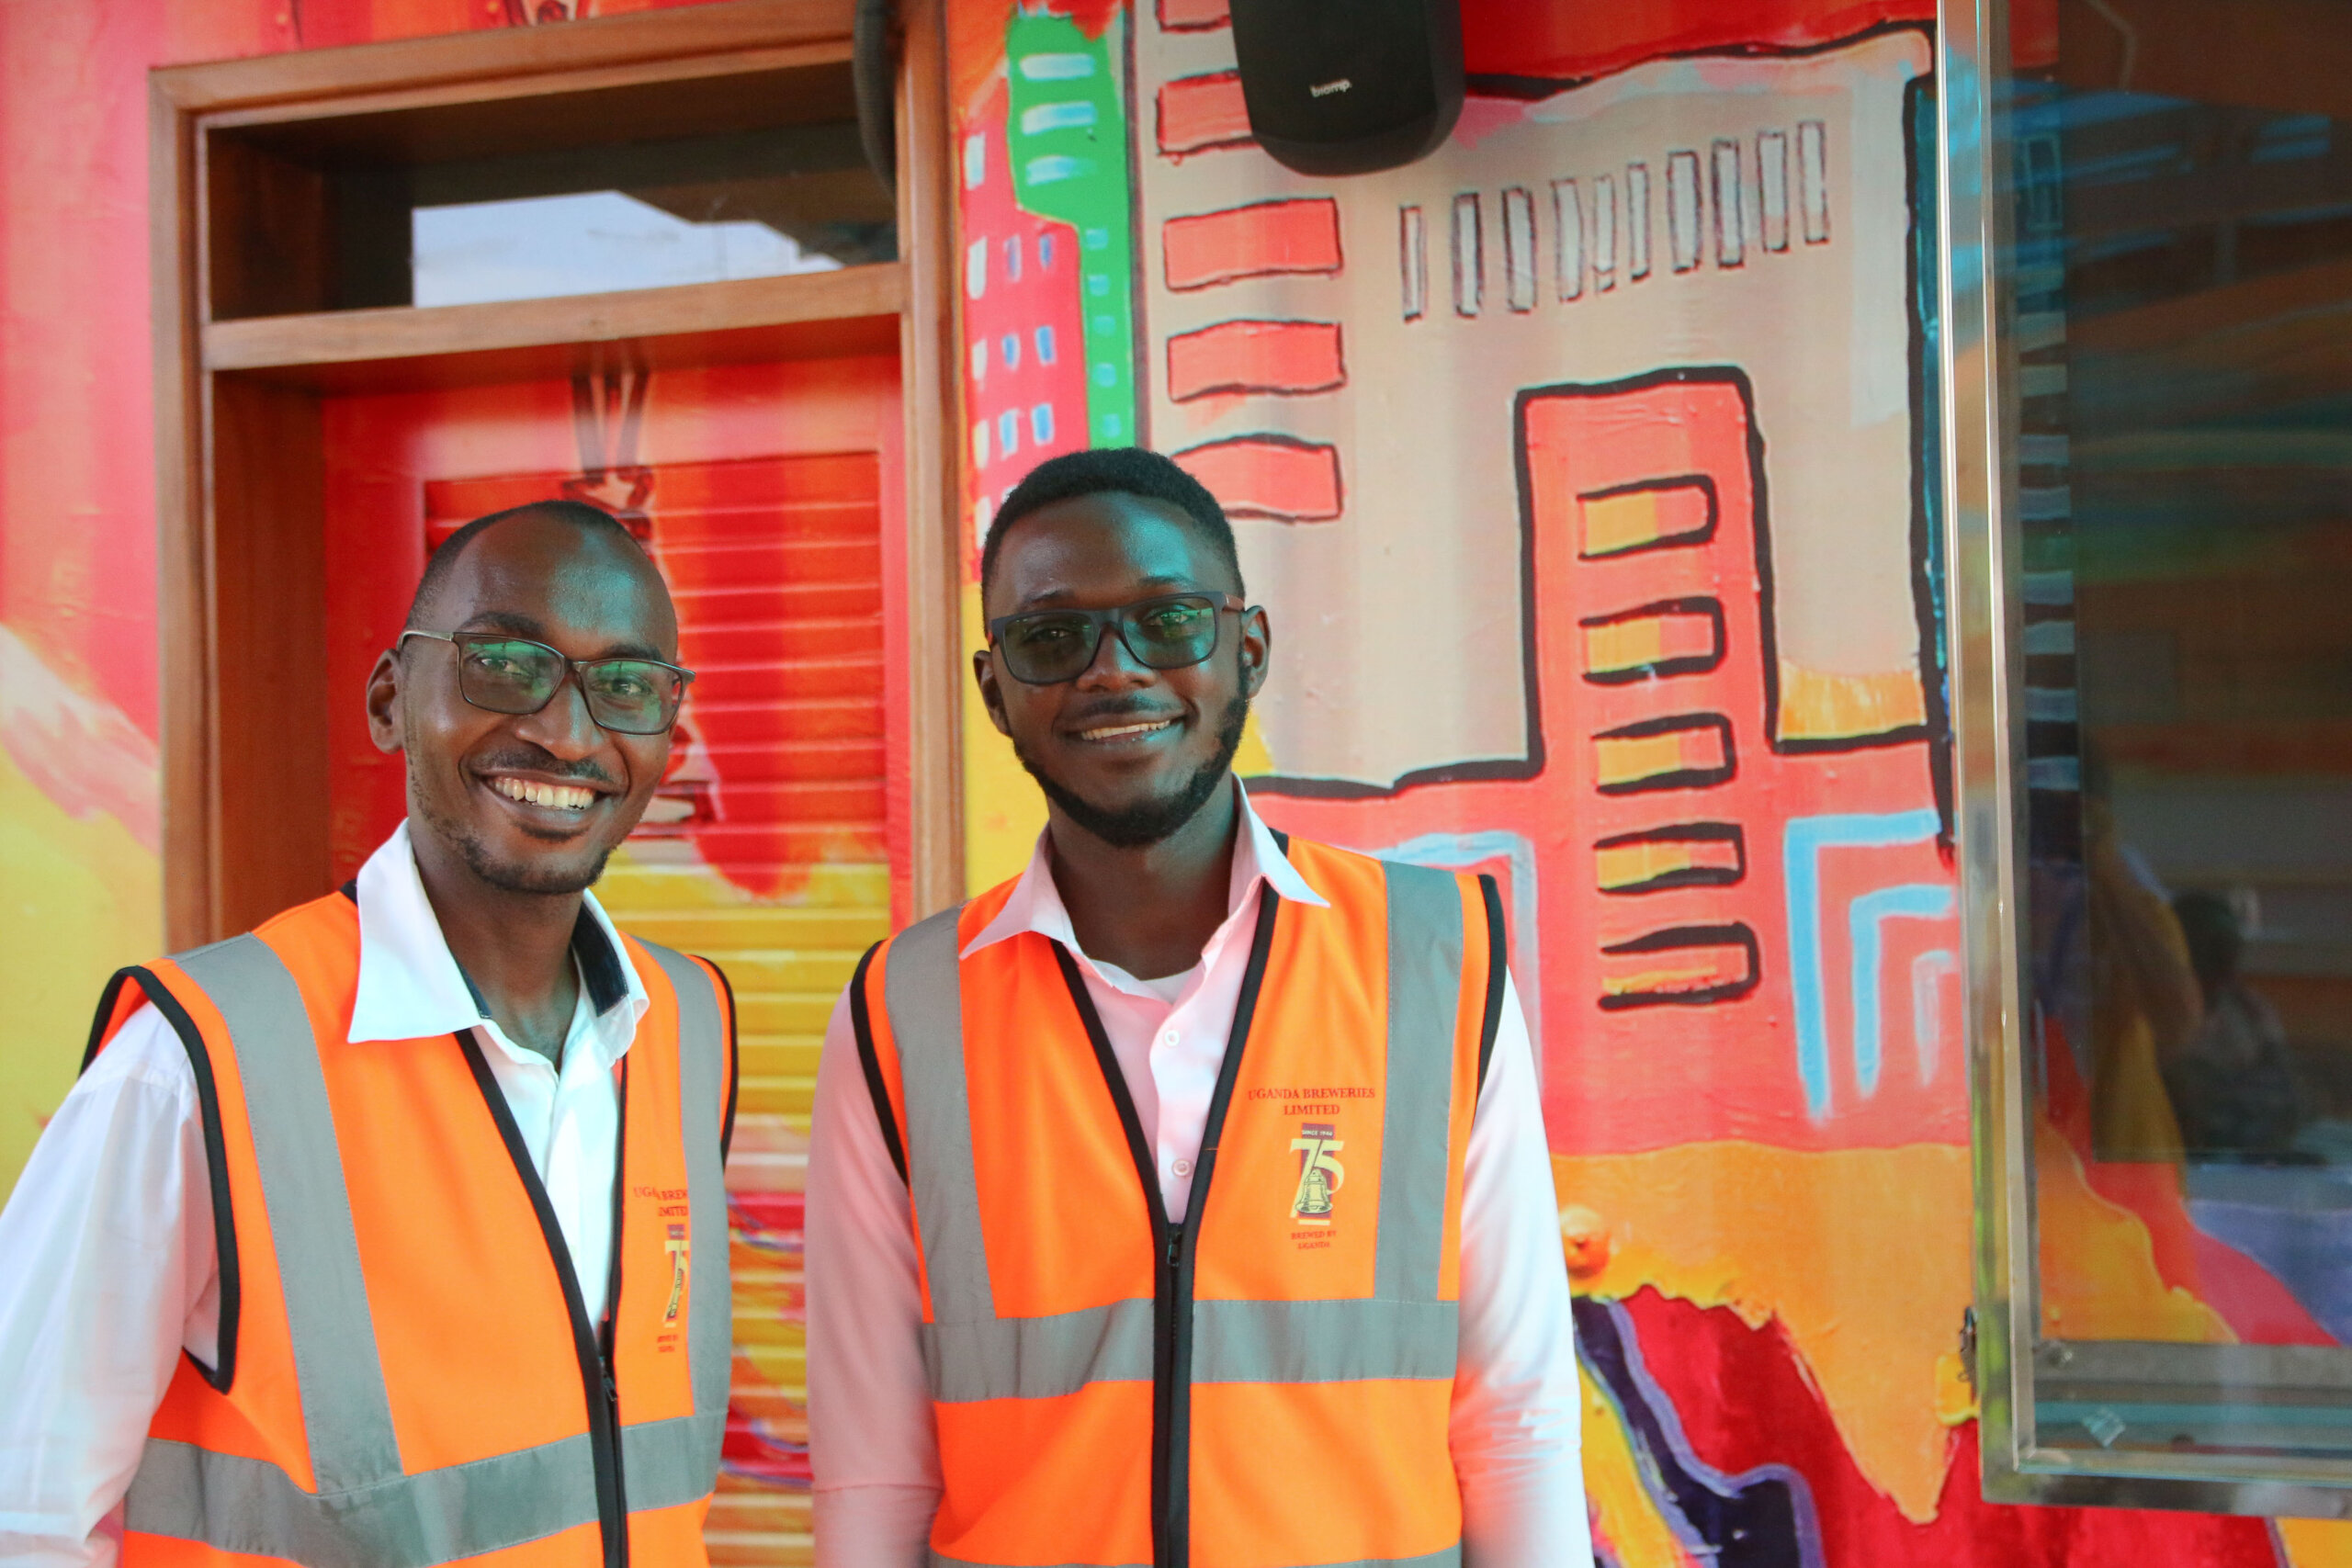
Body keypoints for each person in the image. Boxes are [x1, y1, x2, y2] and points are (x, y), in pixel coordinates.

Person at [807, 449, 1589, 1567]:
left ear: (1247, 651)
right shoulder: (901, 1011)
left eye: (1168, 622)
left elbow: (1515, 1417)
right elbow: (873, 1467)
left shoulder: (1438, 956)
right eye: (1051, 635)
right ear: (995, 691)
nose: (1113, 671)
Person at [0, 502, 738, 1567]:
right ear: (392, 699)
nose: (567, 733)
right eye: (503, 663)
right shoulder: (200, 1060)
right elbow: (26, 1511)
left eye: (625, 685)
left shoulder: (687, 1029)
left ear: (668, 735)